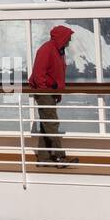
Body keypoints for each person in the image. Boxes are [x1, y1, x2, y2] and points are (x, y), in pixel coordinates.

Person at [29, 25, 77, 166]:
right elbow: (39, 74)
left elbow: (57, 74)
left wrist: (57, 92)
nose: (69, 40)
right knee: (51, 123)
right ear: (61, 37)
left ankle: (43, 158)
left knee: (46, 125)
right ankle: (60, 157)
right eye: (68, 37)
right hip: (44, 92)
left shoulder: (58, 50)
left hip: (50, 92)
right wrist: (45, 92)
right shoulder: (46, 50)